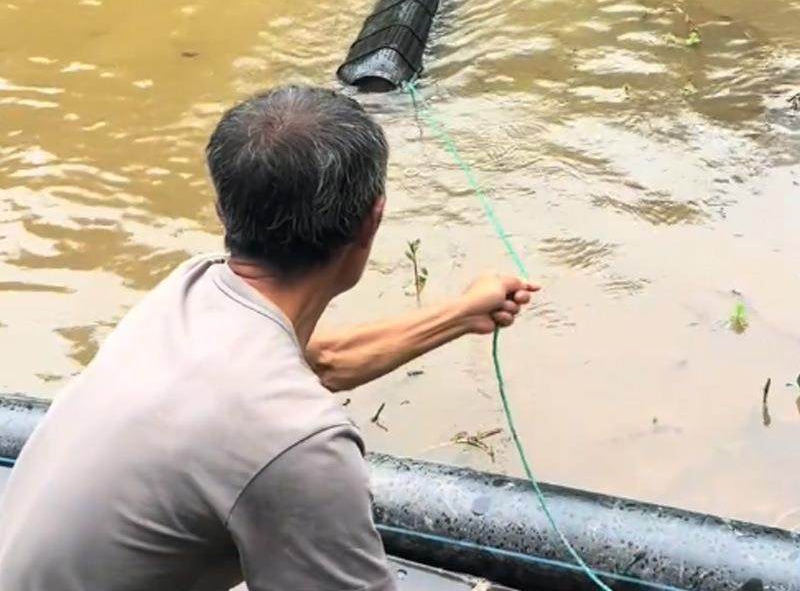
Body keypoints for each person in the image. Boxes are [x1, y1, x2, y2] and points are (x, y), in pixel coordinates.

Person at [0, 85, 538, 591]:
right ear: (373, 222)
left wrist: (462, 315)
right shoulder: (297, 441)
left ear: (223, 212)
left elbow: (321, 361)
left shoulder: (189, 289)